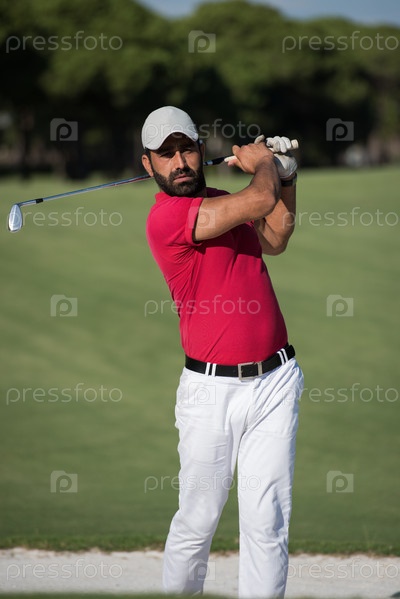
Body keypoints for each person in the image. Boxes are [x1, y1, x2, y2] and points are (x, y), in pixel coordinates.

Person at [142, 106, 304, 599]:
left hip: (276, 382)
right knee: (198, 519)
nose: (179, 162)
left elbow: (276, 236)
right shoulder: (166, 218)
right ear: (148, 165)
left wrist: (287, 178)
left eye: (186, 149)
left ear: (199, 149)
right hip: (209, 392)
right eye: (165, 155)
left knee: (266, 520)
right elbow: (258, 198)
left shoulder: (223, 202)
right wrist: (265, 164)